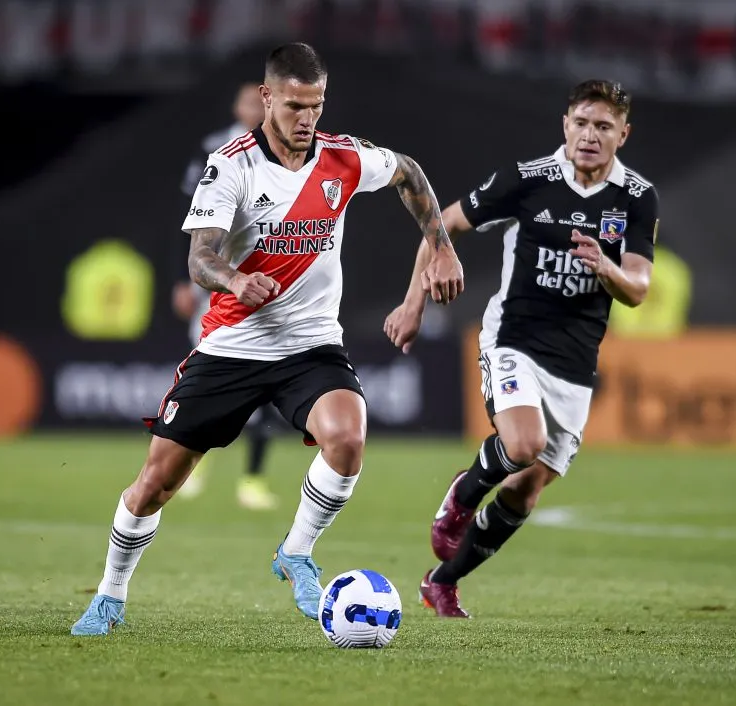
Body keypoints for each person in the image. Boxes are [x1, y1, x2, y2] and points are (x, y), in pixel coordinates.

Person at [71, 42, 464, 635]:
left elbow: (409, 171)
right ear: (266, 98)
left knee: (348, 436)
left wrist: (441, 245)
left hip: (309, 346)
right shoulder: (231, 166)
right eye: (295, 106)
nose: (307, 119)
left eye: (317, 105)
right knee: (155, 484)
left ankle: (296, 552)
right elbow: (200, 258)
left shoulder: (342, 159)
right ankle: (110, 595)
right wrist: (234, 277)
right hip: (233, 346)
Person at [384, 79, 658, 618]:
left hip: (576, 364)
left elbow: (639, 287)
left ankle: (442, 582)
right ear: (565, 124)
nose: (590, 135)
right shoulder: (527, 180)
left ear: (623, 134)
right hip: (514, 340)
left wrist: (606, 267)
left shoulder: (636, 197)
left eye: (604, 127)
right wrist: (414, 302)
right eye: (581, 122)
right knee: (523, 441)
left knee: (525, 489)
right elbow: (444, 226)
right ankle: (462, 496)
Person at [171, 81, 280, 509]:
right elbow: (183, 220)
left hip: (271, 284)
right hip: (218, 283)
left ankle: (252, 479)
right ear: (237, 106)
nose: (255, 110)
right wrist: (180, 278)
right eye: (249, 102)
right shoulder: (216, 151)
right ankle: (192, 464)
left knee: (269, 381)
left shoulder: (291, 152)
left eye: (262, 103)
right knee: (208, 376)